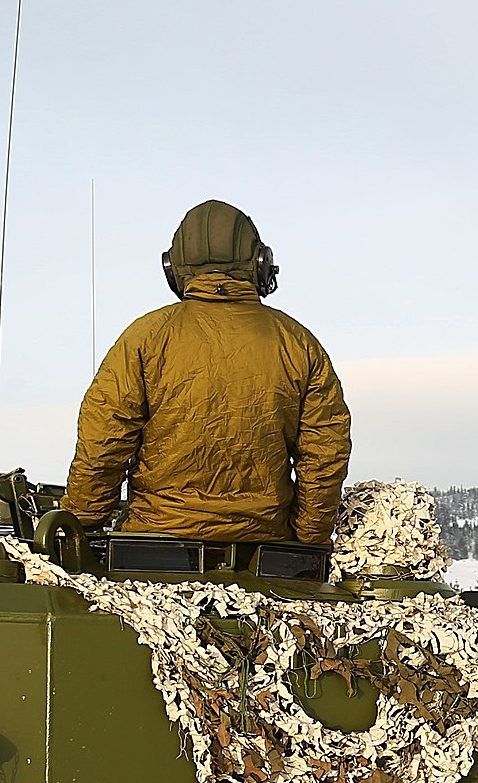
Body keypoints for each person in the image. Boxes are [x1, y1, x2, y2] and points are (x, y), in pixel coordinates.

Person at [63, 200, 351, 548]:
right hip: (265, 551)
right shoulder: (298, 343)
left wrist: (79, 526)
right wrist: (307, 546)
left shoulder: (146, 337)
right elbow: (324, 456)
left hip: (152, 551)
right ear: (260, 264)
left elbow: (102, 444)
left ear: (174, 269)